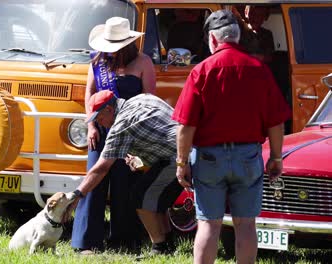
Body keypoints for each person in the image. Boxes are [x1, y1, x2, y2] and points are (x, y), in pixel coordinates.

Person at [172, 10, 291, 264]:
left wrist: (181, 163)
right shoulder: (259, 69)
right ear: (237, 38)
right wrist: (277, 158)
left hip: (209, 158)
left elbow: (186, 126)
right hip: (248, 156)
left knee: (208, 225)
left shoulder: (202, 71)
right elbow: (276, 122)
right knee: (246, 225)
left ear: (213, 40)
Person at [71, 17, 156, 254]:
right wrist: (91, 127)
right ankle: (86, 242)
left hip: (129, 133)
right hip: (101, 129)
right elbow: (89, 93)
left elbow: (150, 100)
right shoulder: (97, 61)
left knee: (124, 185)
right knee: (95, 181)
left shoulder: (143, 62)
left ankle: (124, 241)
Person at [71, 90, 182, 255]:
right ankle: (167, 243)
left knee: (141, 197)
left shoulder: (121, 125)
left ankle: (160, 248)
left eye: (100, 118)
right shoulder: (141, 98)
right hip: (188, 150)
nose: (100, 123)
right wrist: (141, 162)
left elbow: (101, 169)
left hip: (180, 158)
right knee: (155, 197)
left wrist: (78, 195)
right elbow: (160, 133)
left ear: (109, 109)